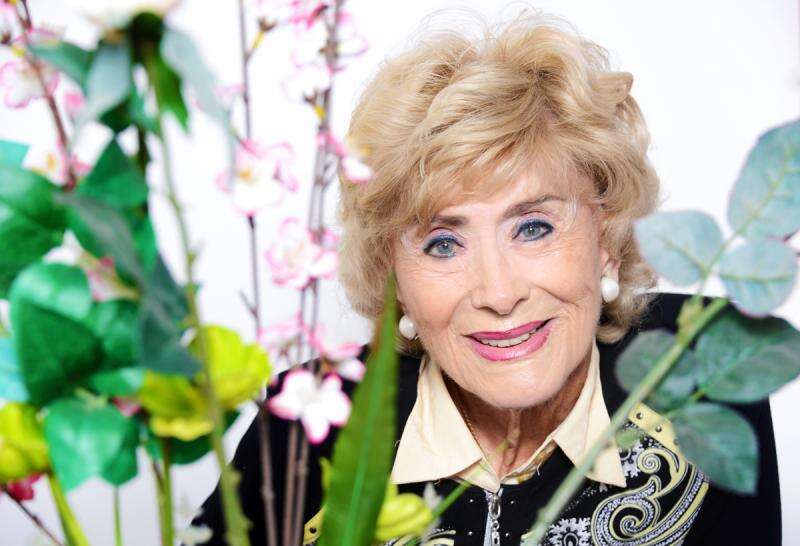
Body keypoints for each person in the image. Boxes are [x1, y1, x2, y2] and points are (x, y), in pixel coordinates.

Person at [194, 10, 781, 545]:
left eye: (533, 228)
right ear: (392, 274)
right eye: (443, 243)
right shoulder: (304, 428)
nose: (499, 294)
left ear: (605, 239)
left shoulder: (704, 364)